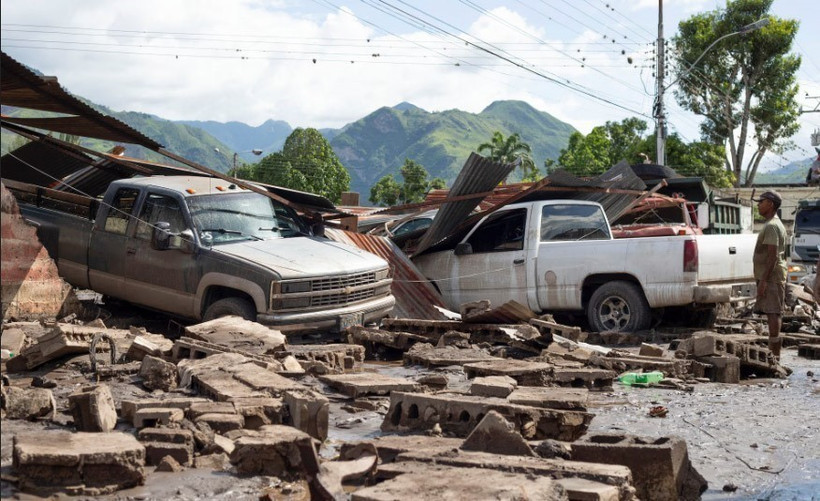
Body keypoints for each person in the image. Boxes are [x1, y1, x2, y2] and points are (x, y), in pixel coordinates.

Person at [752, 190, 787, 359]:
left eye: (762, 201)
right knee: (771, 312)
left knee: (773, 312)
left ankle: (775, 356)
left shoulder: (772, 226)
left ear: (771, 204)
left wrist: (764, 281)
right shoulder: (771, 224)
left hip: (772, 277)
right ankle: (774, 354)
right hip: (771, 276)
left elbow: (772, 256)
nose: (758, 204)